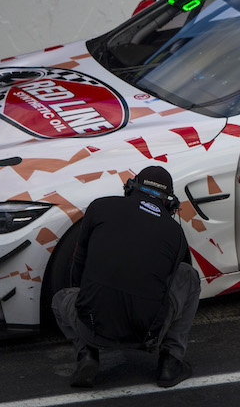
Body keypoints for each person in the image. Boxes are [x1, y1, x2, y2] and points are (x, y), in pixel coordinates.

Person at [51, 165, 200, 389]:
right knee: (189, 276)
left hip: (92, 328)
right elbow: (168, 286)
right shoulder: (176, 233)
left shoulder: (99, 207)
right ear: (170, 204)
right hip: (146, 334)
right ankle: (170, 362)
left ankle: (87, 354)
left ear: (129, 188)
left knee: (60, 299)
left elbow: (77, 269)